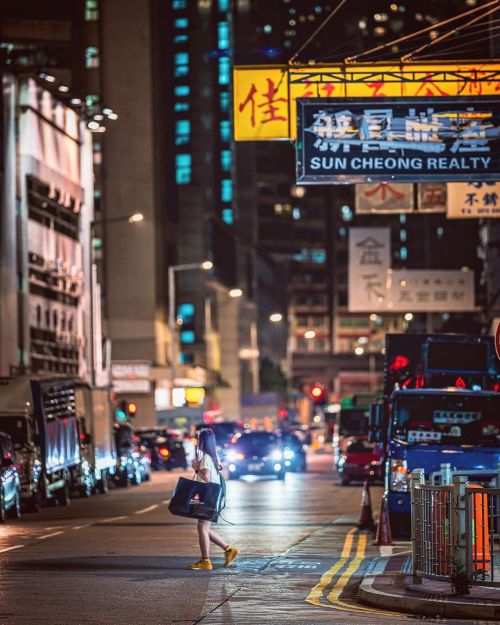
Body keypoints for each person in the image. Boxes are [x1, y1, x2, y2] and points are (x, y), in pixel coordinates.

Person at [188, 428, 239, 570]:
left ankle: (205, 561)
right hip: (213, 496)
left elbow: (206, 477)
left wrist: (196, 468)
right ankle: (229, 549)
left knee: (202, 528)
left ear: (202, 441)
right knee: (204, 528)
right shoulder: (213, 456)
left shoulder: (205, 457)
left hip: (208, 496)